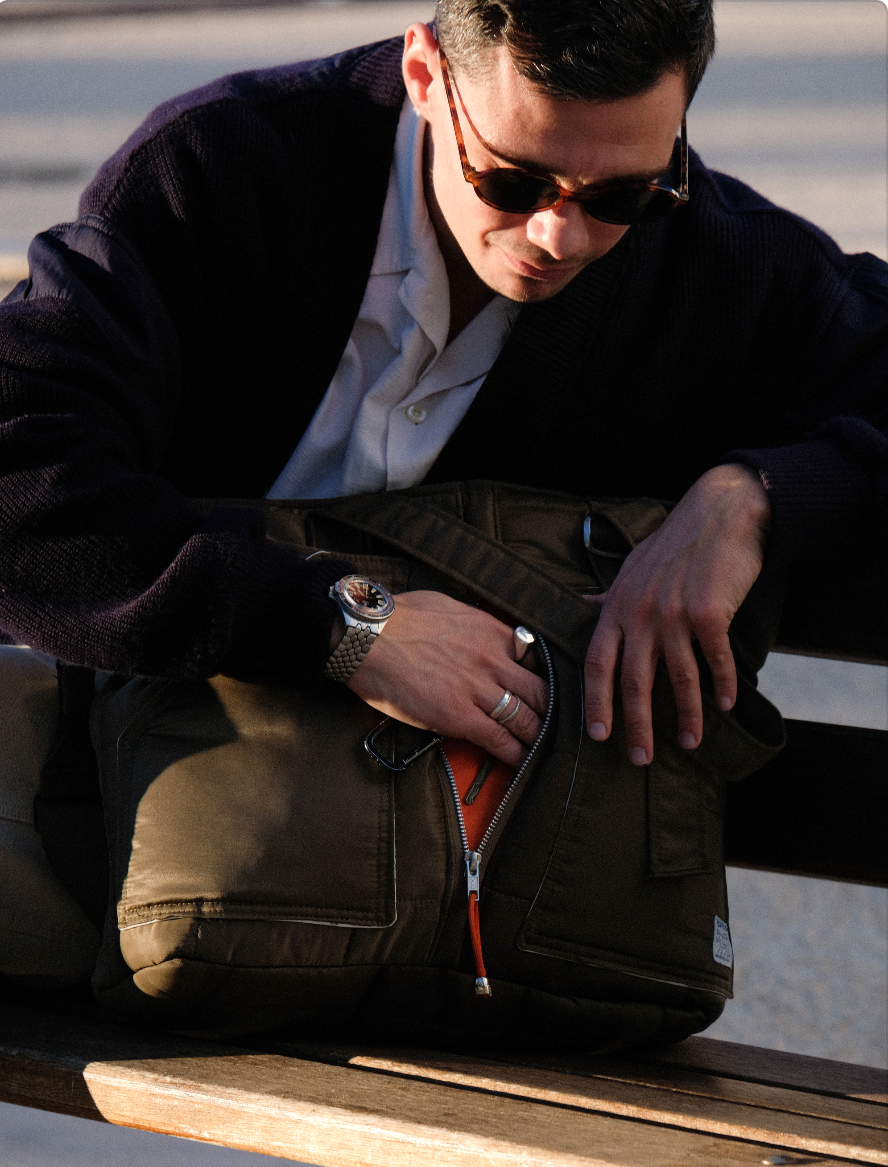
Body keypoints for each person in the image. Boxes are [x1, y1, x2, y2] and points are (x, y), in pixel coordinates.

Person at [0, 0, 885, 994]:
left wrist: (752, 499)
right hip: (99, 842)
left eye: (624, 194)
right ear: (425, 76)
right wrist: (345, 625)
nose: (560, 233)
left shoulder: (713, 261)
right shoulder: (223, 168)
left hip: (469, 948)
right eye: (512, 179)